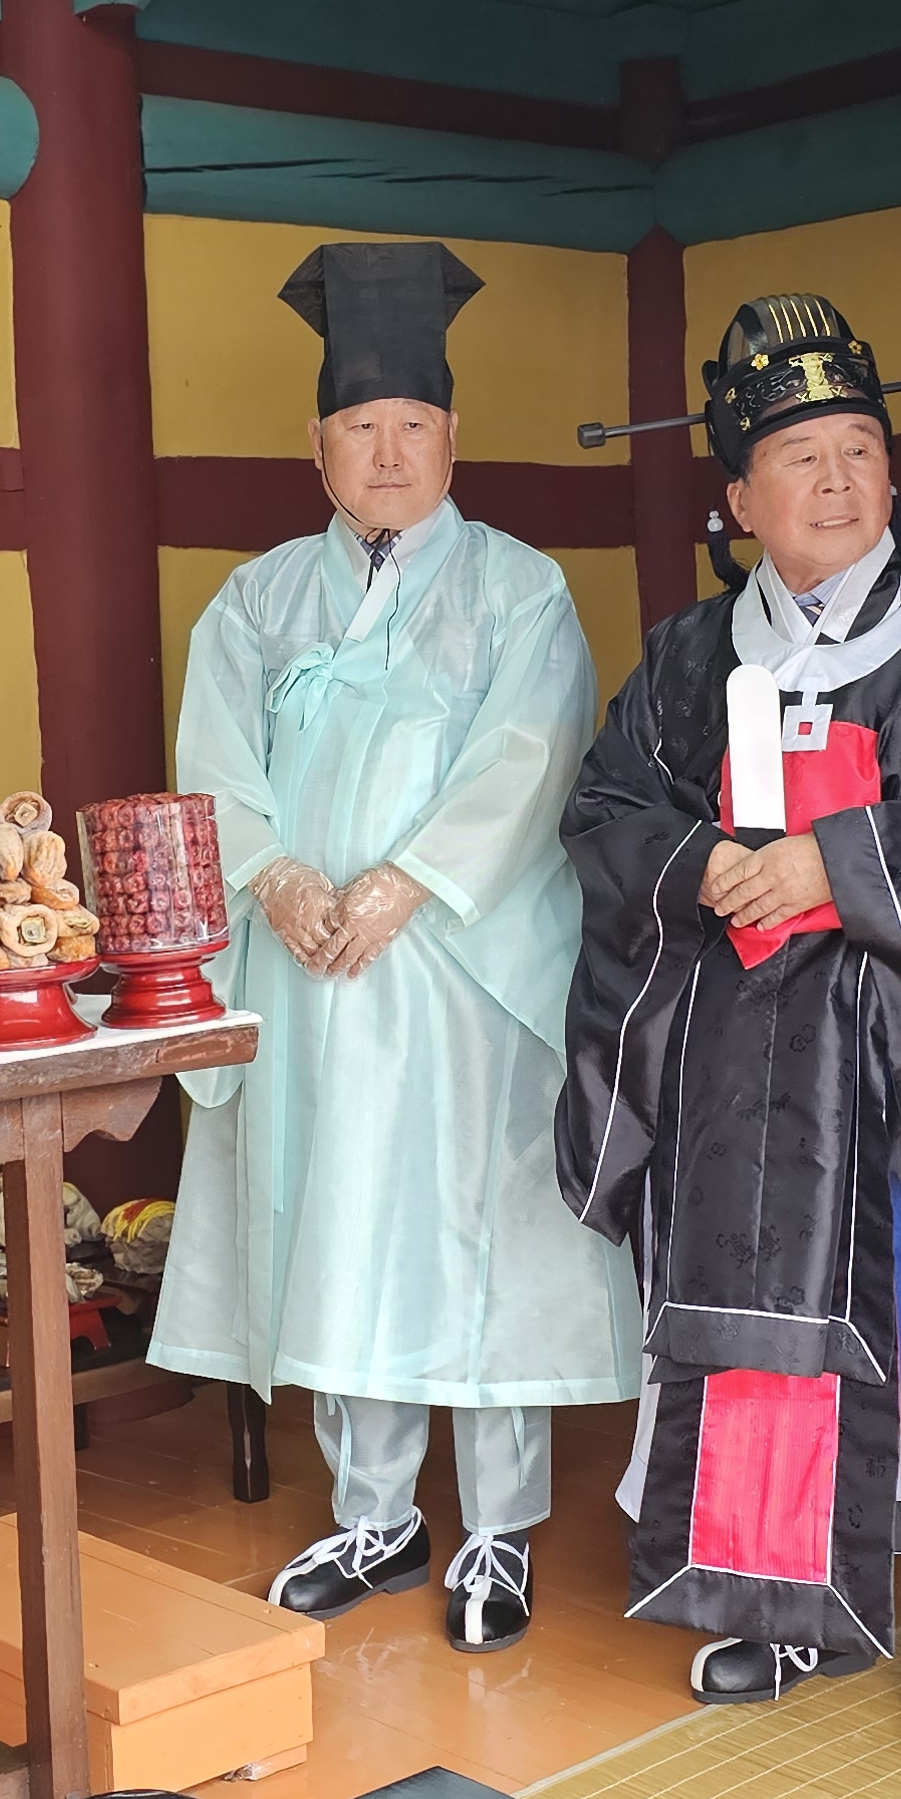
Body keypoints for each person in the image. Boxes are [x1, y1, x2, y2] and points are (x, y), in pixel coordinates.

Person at [155, 240, 639, 1653]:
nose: (387, 453)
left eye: (412, 427)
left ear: (452, 440)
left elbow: (530, 756)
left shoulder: (518, 588)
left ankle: (498, 1529)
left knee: (477, 1244)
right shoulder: (258, 599)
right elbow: (213, 765)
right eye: (360, 428)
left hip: (456, 972)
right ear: (315, 447)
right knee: (337, 1228)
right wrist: (274, 877)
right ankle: (372, 1514)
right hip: (306, 968)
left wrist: (404, 886)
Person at [561, 295, 901, 1702]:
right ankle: (772, 1587)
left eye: (861, 451)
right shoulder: (689, 656)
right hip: (734, 1048)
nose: (837, 481)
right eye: (801, 457)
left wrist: (838, 864)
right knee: (751, 1305)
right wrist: (703, 865)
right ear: (739, 499)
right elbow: (608, 811)